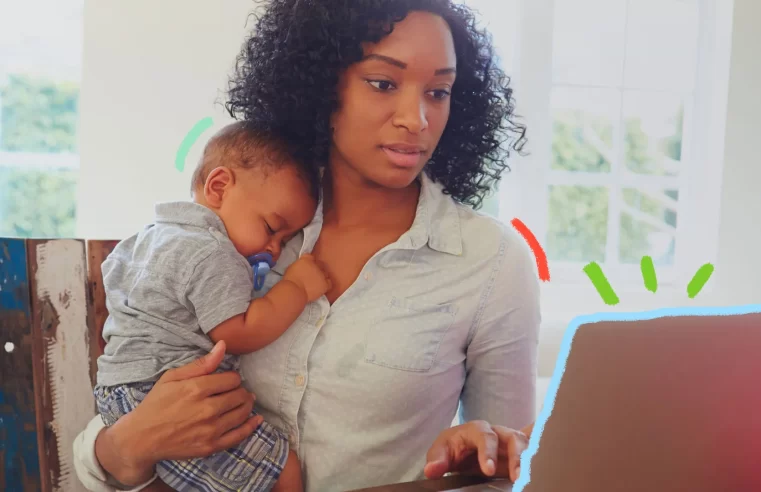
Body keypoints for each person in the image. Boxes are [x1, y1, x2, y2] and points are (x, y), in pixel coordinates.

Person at [73, 0, 540, 490]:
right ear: (321, 85)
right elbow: (115, 418)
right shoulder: (234, 224)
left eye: (439, 91)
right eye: (383, 83)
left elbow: (511, 468)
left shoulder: (492, 261)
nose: (416, 118)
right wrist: (129, 445)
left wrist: (473, 455)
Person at [92, 122, 331, 492]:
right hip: (157, 391)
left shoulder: (151, 235)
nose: (275, 250)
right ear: (219, 187)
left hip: (119, 391)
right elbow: (238, 332)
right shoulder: (212, 252)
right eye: (271, 228)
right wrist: (297, 288)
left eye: (286, 239)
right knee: (283, 469)